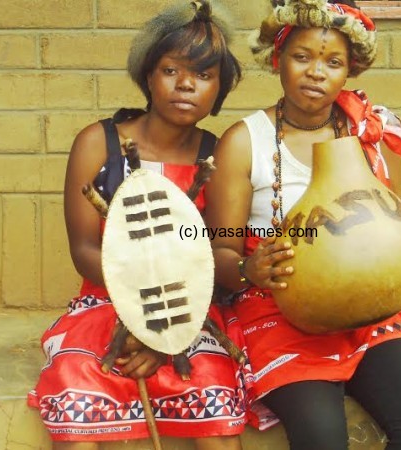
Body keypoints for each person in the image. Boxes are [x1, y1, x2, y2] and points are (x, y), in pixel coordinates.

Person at [204, 0, 401, 449]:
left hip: (369, 305)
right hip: (279, 308)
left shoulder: (370, 134)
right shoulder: (246, 143)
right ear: (278, 59)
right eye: (302, 57)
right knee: (320, 436)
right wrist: (248, 269)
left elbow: (398, 221)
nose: (316, 72)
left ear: (349, 70)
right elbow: (219, 248)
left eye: (332, 61)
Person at [27, 2, 249, 449]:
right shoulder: (99, 143)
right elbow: (85, 248)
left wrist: (166, 333)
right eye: (171, 70)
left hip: (189, 311)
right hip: (106, 299)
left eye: (204, 76)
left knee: (211, 398)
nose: (186, 84)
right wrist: (142, 316)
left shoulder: (220, 154)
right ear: (148, 74)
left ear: (220, 90)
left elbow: (218, 251)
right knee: (79, 392)